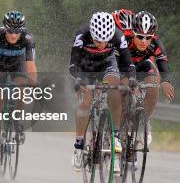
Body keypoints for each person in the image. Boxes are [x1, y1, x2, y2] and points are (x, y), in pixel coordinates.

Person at [69, 12, 136, 171]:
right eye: (98, 41)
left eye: (106, 41)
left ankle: (115, 136)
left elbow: (128, 63)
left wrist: (132, 79)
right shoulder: (81, 35)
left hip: (107, 64)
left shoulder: (117, 36)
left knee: (115, 90)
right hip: (86, 67)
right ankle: (78, 146)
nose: (102, 45)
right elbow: (73, 65)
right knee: (85, 102)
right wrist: (79, 80)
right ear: (92, 33)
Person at [0, 11, 37, 165]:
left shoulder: (28, 39)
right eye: (10, 31)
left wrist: (35, 86)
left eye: (17, 31)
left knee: (22, 89)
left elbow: (31, 66)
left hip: (18, 66)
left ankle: (18, 121)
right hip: (0, 67)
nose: (14, 35)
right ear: (5, 28)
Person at [128, 11, 175, 145]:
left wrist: (166, 81)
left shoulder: (156, 43)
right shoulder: (124, 40)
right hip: (124, 67)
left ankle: (145, 123)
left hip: (143, 66)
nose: (144, 41)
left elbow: (162, 62)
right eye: (140, 36)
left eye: (148, 37)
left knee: (155, 83)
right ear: (132, 32)